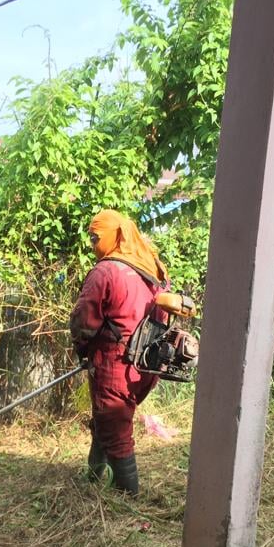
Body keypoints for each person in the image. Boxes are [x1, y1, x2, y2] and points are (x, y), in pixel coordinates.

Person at [69, 209, 168, 495]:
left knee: (116, 431)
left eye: (95, 237)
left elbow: (83, 321)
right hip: (146, 364)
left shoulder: (106, 271)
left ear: (114, 235)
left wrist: (82, 348)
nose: (92, 244)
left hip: (116, 364)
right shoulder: (153, 268)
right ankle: (93, 479)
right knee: (107, 422)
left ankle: (127, 500)